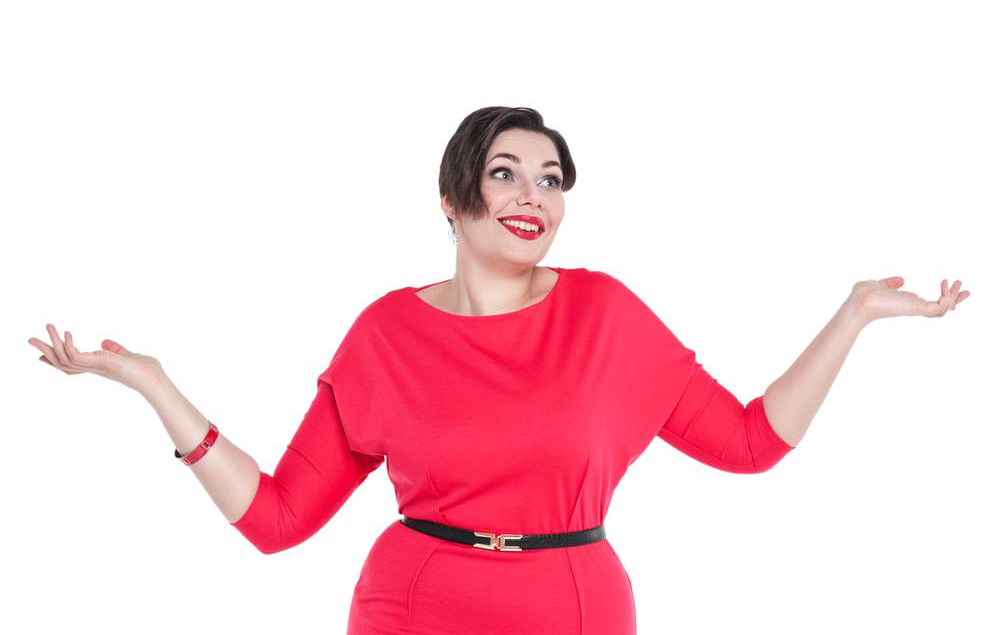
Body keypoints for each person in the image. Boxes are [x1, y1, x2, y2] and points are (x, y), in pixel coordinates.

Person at [29, 106, 971, 634]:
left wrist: (853, 316)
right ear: (453, 197)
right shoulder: (385, 333)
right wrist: (155, 385)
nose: (534, 197)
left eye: (552, 179)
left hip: (576, 609)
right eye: (506, 173)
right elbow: (278, 522)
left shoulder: (607, 315)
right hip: (409, 609)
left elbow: (750, 443)